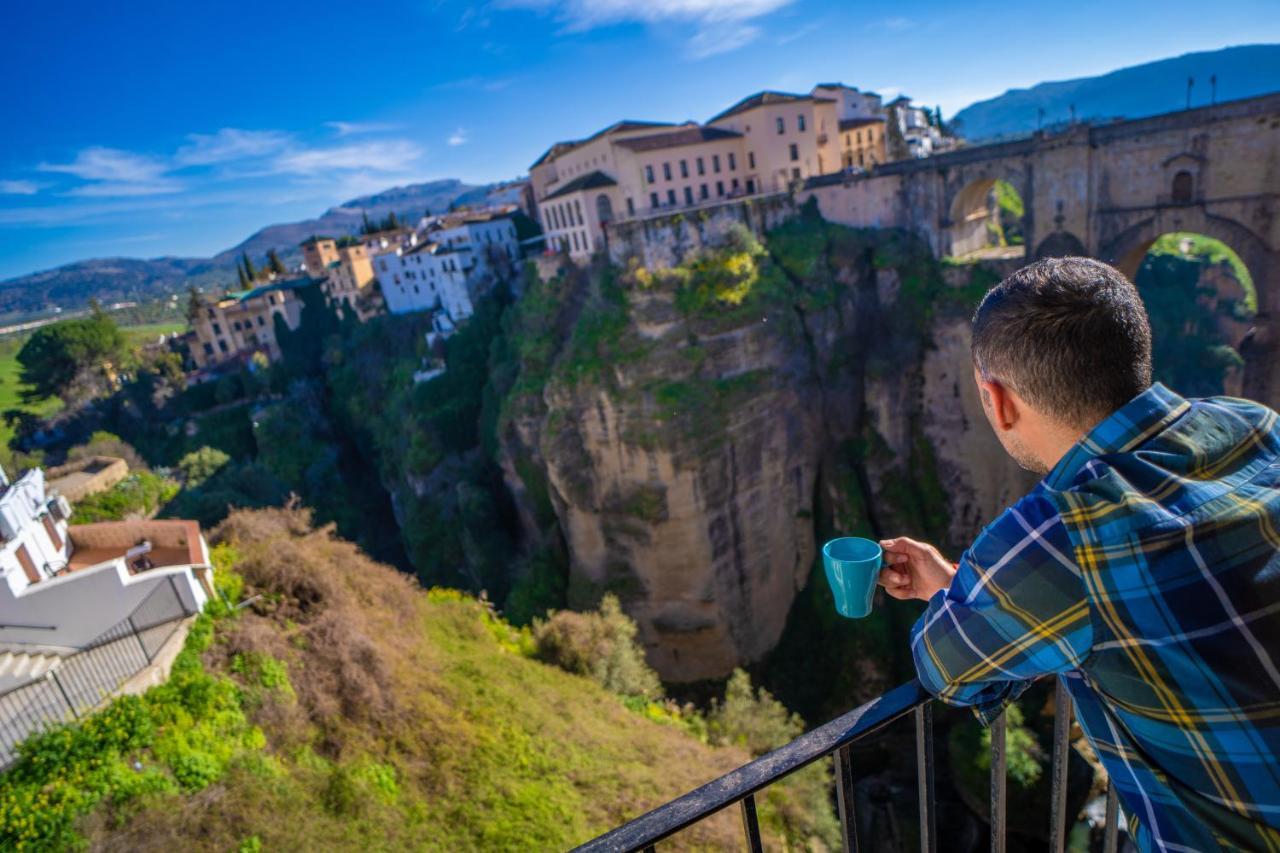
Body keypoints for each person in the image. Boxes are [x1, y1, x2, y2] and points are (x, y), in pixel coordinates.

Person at [878, 257, 1280, 851]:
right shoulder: (1253, 424)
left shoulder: (1064, 534)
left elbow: (943, 666)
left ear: (997, 399)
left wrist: (962, 589)